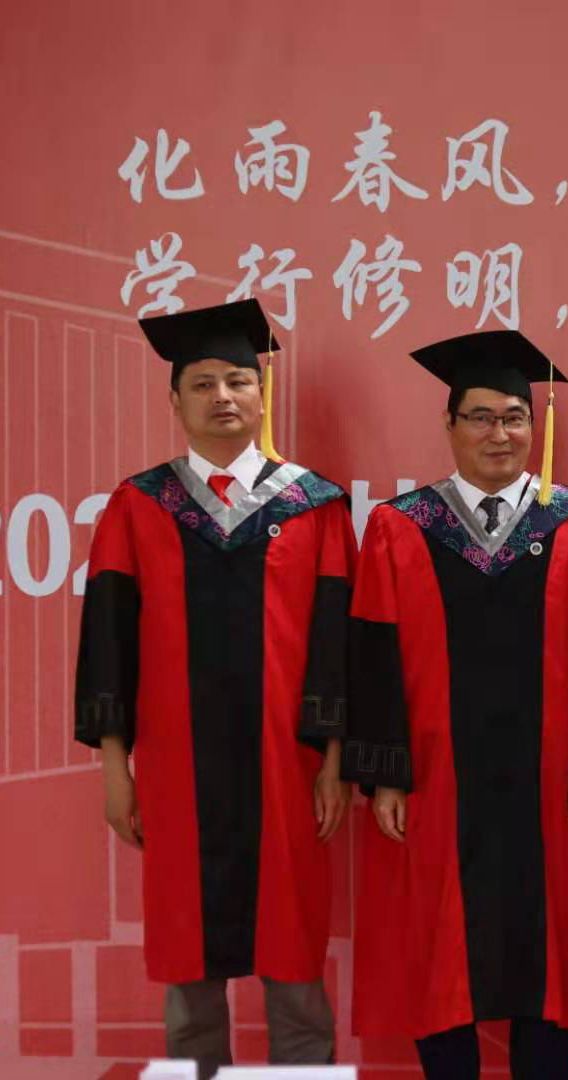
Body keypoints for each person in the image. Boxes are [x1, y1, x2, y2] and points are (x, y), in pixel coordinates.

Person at [74, 298, 354, 1079]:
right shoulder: (137, 506)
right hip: (175, 767)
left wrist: (334, 761)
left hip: (288, 764)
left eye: (238, 381)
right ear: (175, 400)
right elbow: (108, 644)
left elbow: (335, 642)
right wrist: (115, 769)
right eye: (202, 384)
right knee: (187, 952)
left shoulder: (315, 505)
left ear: (263, 396)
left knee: (292, 949)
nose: (222, 397)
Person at [343, 330, 568, 1079]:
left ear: (535, 426)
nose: (499, 433)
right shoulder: (401, 526)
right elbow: (372, 655)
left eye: (513, 417)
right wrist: (385, 774)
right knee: (440, 949)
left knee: (549, 950)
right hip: (438, 782)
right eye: (480, 417)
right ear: (449, 425)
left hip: (550, 782)